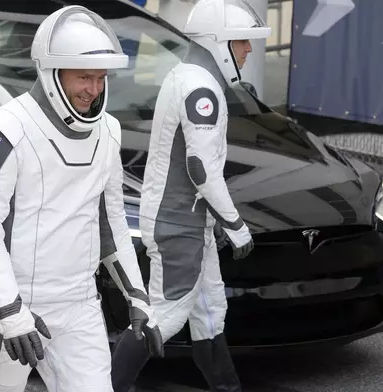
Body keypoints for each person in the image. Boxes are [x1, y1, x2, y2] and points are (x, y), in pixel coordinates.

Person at [0, 5, 164, 392]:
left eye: (101, 78)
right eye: (84, 77)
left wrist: (137, 296)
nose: (94, 89)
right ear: (52, 74)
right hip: (11, 307)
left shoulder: (108, 130)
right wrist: (10, 311)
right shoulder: (2, 131)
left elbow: (111, 222)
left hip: (78, 303)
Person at [110, 0, 271, 391]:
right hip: (179, 221)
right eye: (241, 42)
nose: (248, 50)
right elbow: (201, 168)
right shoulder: (202, 89)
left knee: (210, 312)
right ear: (218, 42)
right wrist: (236, 225)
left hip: (187, 220)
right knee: (166, 316)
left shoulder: (187, 76)